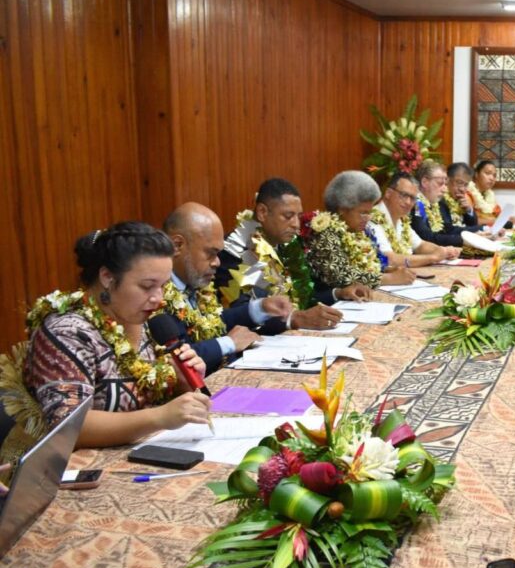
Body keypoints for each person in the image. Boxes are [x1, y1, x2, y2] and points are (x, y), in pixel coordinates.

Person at [21, 222, 212, 448]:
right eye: (147, 286)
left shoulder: (146, 321)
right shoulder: (67, 333)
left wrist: (183, 383)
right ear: (107, 277)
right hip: (82, 463)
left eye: (163, 286)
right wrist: (159, 417)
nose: (158, 298)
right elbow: (69, 428)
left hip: (148, 449)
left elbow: (157, 399)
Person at [151, 202, 293, 374]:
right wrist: (229, 343)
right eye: (211, 253)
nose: (217, 262)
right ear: (177, 245)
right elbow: (178, 355)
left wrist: (260, 308)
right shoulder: (154, 292)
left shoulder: (192, 282)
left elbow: (211, 325)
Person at [217, 178, 351, 332]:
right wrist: (294, 320)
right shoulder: (235, 249)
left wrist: (338, 293)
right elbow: (244, 314)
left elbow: (301, 299)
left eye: (298, 216)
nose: (296, 224)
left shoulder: (283, 244)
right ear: (262, 212)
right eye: (288, 216)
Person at [304, 169, 412, 289]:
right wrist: (390, 279)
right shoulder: (325, 231)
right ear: (342, 209)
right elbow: (341, 276)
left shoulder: (359, 229)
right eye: (363, 213)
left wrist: (388, 270)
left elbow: (374, 263)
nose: (368, 218)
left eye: (369, 212)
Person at [369, 172, 461, 268]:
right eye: (404, 195)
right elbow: (389, 259)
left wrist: (442, 251)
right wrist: (432, 257)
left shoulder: (402, 219)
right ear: (388, 193)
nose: (408, 202)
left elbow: (420, 245)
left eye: (413, 198)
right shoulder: (373, 219)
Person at [411, 161, 483, 248]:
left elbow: (445, 229)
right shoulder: (418, 205)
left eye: (445, 184)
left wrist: (476, 233)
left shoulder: (433, 202)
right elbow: (426, 237)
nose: (444, 189)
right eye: (440, 183)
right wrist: (464, 239)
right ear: (425, 182)